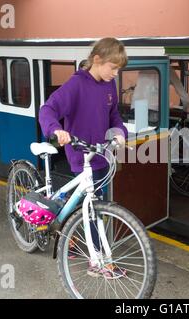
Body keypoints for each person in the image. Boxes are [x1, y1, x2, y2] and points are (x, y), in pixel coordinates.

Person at [39, 37, 129, 279]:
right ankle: (96, 261)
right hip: (81, 153)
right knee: (92, 207)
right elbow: (47, 109)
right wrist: (55, 130)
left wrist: (120, 132)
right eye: (113, 67)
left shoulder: (109, 86)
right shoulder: (76, 85)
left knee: (94, 205)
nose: (116, 73)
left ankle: (72, 237)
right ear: (97, 60)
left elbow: (114, 116)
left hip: (102, 154)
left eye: (119, 69)